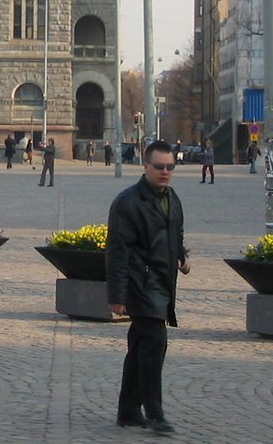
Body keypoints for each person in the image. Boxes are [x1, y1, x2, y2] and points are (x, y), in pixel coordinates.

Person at [107, 139, 190, 434]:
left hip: (163, 282)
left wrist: (181, 256)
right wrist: (117, 296)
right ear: (145, 167)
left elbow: (174, 231)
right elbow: (117, 252)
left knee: (140, 346)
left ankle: (128, 411)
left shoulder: (172, 197)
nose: (165, 172)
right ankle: (154, 412)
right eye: (159, 167)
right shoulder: (127, 202)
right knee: (155, 344)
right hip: (140, 284)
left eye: (170, 167)